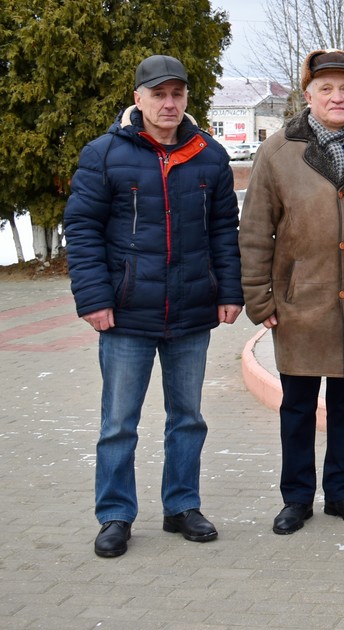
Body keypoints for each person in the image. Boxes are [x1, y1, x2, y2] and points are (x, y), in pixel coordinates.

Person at [65, 54, 243, 559]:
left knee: (187, 417)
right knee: (119, 422)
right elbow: (81, 230)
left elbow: (223, 233)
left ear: (187, 98)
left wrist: (229, 291)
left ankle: (182, 506)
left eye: (177, 94)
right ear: (138, 98)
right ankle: (115, 515)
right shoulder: (104, 154)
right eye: (158, 94)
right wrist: (95, 300)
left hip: (191, 312)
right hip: (125, 315)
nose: (169, 103)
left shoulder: (209, 156)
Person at [239, 49, 344, 535]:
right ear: (308, 95)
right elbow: (254, 232)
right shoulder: (277, 152)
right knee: (297, 405)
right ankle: (296, 498)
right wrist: (259, 298)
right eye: (327, 89)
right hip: (299, 300)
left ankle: (342, 492)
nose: (337, 97)